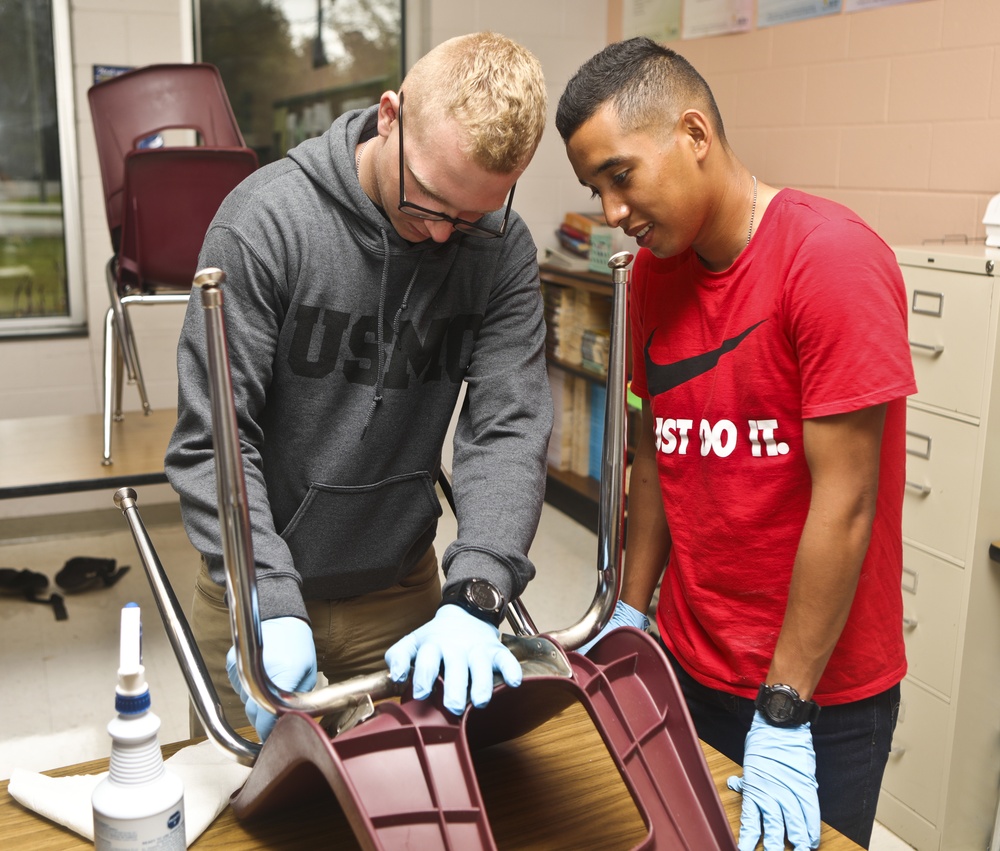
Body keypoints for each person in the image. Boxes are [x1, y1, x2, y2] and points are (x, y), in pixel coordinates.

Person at [556, 37, 915, 850]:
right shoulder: (653, 274)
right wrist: (629, 609)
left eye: (620, 176)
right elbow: (659, 448)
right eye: (595, 189)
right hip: (689, 659)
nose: (611, 211)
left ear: (693, 134)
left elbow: (847, 501)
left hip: (816, 691)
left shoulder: (830, 260)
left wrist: (785, 706)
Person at [164, 32, 552, 743]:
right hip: (258, 598)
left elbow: (509, 425)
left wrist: (476, 593)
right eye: (428, 199)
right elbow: (215, 440)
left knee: (411, 812)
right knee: (255, 818)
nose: (441, 236)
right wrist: (267, 599)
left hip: (401, 601)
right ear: (388, 116)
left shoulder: (500, 248)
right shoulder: (266, 224)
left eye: (468, 217)